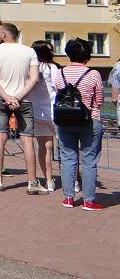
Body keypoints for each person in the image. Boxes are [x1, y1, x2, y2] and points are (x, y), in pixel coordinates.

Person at [0, 23, 40, 193]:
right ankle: (32, 182)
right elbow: (34, 78)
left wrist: (6, 97)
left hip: (2, 99)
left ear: (4, 35)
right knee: (27, 139)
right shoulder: (29, 52)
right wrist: (17, 97)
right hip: (24, 100)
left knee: (0, 137)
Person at [53, 38, 104, 210]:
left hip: (65, 120)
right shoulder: (93, 74)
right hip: (89, 120)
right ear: (87, 55)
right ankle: (88, 200)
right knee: (89, 160)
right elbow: (99, 100)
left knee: (68, 158)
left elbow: (58, 93)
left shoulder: (59, 73)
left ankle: (68, 198)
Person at [31, 40, 60, 193]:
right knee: (67, 148)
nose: (53, 53)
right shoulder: (52, 67)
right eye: (50, 50)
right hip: (55, 111)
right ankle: (73, 180)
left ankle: (48, 180)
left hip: (37, 112)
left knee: (45, 147)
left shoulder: (30, 69)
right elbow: (58, 87)